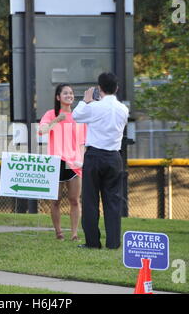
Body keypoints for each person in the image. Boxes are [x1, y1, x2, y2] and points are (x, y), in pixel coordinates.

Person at [72, 72, 129, 249]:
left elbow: (76, 116)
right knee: (113, 201)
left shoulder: (95, 107)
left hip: (95, 155)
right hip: (114, 157)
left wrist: (86, 100)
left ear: (99, 88)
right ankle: (113, 243)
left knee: (90, 200)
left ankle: (92, 242)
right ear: (117, 88)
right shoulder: (123, 109)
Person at [38, 83, 87, 241]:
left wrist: (81, 159)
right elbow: (41, 131)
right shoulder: (51, 114)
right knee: (56, 200)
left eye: (71, 93)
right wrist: (57, 120)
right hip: (56, 162)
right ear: (58, 97)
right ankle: (58, 233)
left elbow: (82, 142)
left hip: (74, 163)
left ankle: (74, 234)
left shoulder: (78, 116)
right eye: (65, 93)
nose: (69, 96)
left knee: (74, 199)